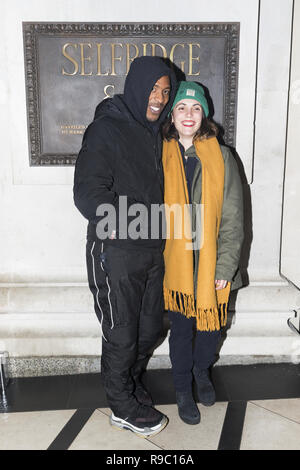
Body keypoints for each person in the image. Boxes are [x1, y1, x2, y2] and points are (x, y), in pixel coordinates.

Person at [73, 56, 177, 437]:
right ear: (136, 87)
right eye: (153, 89)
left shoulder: (156, 134)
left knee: (150, 328)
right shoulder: (106, 129)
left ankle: (128, 384)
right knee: (122, 331)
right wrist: (117, 223)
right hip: (114, 251)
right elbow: (87, 191)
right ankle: (120, 404)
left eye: (165, 92)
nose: (159, 98)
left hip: (151, 249)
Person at [162, 81, 244, 425]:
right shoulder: (159, 153)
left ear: (204, 115)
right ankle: (182, 389)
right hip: (175, 265)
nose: (189, 114)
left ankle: (200, 370)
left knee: (211, 329)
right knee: (181, 330)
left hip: (212, 262)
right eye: (182, 107)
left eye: (196, 108)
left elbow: (233, 217)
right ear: (172, 114)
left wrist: (224, 265)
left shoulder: (221, 156)